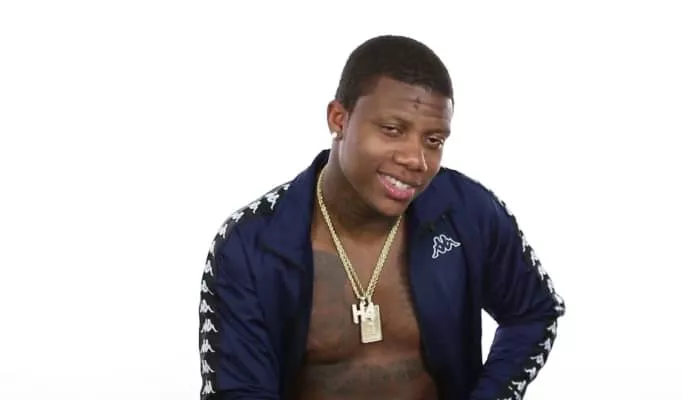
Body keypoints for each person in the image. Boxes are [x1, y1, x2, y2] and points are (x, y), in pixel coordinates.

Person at [198, 34, 565, 400]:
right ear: (339, 119)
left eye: (434, 140)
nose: (416, 160)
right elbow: (237, 392)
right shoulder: (250, 243)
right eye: (393, 130)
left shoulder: (467, 210)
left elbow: (535, 311)